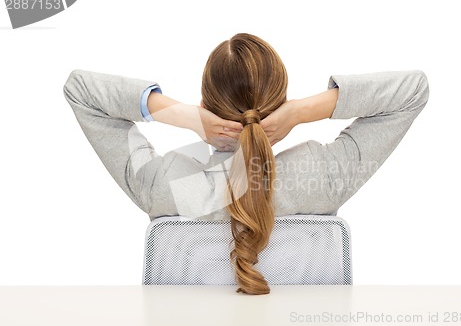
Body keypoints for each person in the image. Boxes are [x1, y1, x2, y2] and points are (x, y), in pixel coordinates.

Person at [63, 33, 429, 295]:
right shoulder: (320, 173)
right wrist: (302, 112)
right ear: (279, 103)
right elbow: (413, 90)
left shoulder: (167, 183)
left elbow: (80, 90)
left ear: (205, 102)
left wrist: (184, 116)